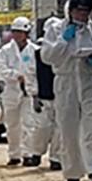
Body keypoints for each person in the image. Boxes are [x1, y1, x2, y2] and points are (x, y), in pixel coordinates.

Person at [42, 0, 92, 181]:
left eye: (86, 12)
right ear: (70, 10)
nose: (82, 15)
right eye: (79, 11)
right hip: (66, 82)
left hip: (90, 81)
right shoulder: (56, 30)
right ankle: (72, 174)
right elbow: (47, 56)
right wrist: (64, 41)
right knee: (68, 129)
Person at [0, 16, 38, 166]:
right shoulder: (5, 51)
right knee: (12, 125)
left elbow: (36, 71)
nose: (17, 35)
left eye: (20, 32)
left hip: (29, 92)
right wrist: (15, 75)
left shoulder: (34, 50)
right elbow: (1, 68)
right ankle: (14, 154)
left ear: (27, 33)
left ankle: (27, 153)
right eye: (15, 32)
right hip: (11, 91)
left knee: (29, 123)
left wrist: (29, 82)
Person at [27, 16, 63, 170]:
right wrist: (34, 94)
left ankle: (56, 158)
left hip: (62, 97)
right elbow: (31, 74)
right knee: (42, 127)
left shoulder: (64, 53)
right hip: (43, 97)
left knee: (60, 130)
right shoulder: (37, 55)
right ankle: (36, 153)